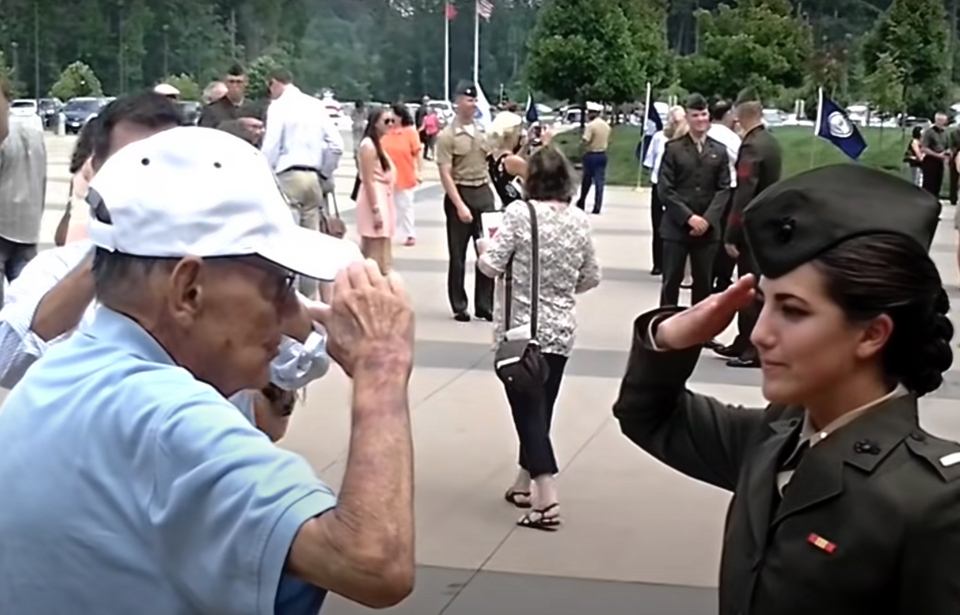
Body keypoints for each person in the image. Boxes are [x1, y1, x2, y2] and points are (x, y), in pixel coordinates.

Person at [0, 127, 416, 613]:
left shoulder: (66, 371)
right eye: (279, 285)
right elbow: (374, 563)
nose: (293, 316)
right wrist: (381, 368)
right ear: (188, 291)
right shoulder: (167, 415)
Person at [614, 164, 960, 615]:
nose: (759, 334)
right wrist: (671, 338)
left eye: (792, 311)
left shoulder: (935, 501)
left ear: (872, 334)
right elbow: (650, 416)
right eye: (764, 304)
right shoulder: (779, 437)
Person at [477, 145, 600, 530]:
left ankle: (546, 496)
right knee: (540, 410)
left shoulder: (519, 213)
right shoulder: (579, 221)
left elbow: (491, 265)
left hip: (520, 332)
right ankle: (523, 483)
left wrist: (482, 250)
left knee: (527, 413)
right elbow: (591, 276)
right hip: (561, 330)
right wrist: (559, 290)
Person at [713, 87, 783, 368]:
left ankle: (752, 348)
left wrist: (732, 234)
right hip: (768, 226)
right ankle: (743, 341)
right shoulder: (771, 142)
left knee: (750, 287)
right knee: (753, 286)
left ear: (741, 117)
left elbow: (744, 193)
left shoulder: (752, 146)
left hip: (752, 229)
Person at [261, 67, 344, 299]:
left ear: (275, 83)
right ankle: (311, 301)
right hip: (313, 178)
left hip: (289, 177)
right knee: (311, 246)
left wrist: (265, 176)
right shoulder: (315, 105)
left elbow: (270, 148)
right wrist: (324, 172)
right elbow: (337, 145)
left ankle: (292, 302)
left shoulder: (278, 107)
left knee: (290, 245)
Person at [657, 93, 731, 308]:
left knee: (704, 283)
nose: (700, 119)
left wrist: (707, 219)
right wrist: (689, 218)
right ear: (687, 118)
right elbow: (666, 189)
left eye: (704, 114)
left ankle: (701, 332)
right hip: (677, 227)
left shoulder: (719, 150)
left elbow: (724, 188)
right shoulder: (674, 149)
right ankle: (666, 327)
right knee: (671, 281)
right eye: (695, 115)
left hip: (707, 230)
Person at [436, 81, 496, 322]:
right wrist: (459, 204)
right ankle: (459, 305)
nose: (473, 105)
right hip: (460, 193)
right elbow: (445, 173)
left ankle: (485, 304)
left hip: (483, 193)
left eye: (475, 101)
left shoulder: (483, 132)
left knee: (487, 253)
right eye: (468, 100)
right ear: (458, 102)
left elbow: (495, 162)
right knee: (458, 255)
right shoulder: (447, 136)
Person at [0, 110, 47, 300]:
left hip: (2, 221)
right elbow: (42, 177)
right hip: (28, 223)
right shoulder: (35, 134)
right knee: (25, 301)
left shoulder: (3, 137)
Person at [643, 106, 686, 277]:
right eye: (675, 120)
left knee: (677, 227)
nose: (677, 124)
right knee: (658, 225)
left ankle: (675, 264)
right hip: (659, 185)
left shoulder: (686, 140)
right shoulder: (659, 137)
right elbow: (650, 162)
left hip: (679, 187)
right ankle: (658, 263)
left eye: (680, 120)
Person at [356, 107, 397, 273]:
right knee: (374, 248)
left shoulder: (377, 144)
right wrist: (375, 209)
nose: (390, 124)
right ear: (375, 123)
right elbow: (368, 180)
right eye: (386, 121)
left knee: (382, 244)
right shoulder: (368, 146)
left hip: (383, 196)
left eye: (392, 121)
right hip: (374, 198)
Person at [706, 99, 741, 293]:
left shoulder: (707, 133)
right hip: (729, 188)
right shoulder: (732, 139)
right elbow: (739, 160)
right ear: (727, 114)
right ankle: (722, 276)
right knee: (726, 234)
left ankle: (706, 272)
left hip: (707, 190)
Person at [383, 103, 422, 247]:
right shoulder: (385, 132)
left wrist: (418, 171)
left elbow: (417, 153)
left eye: (392, 114)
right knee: (388, 206)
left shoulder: (410, 133)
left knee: (405, 206)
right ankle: (388, 232)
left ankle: (409, 233)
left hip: (405, 173)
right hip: (387, 176)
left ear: (399, 116)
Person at [198, 63, 258, 128]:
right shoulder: (212, 111)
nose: (235, 86)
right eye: (231, 82)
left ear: (246, 83)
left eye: (239, 82)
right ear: (225, 83)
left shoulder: (254, 110)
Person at [575, 108, 611, 214]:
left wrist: (580, 149)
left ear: (592, 114)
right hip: (602, 154)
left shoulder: (591, 126)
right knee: (600, 181)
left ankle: (582, 202)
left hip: (591, 154)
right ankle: (597, 206)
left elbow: (586, 140)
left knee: (587, 180)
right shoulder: (606, 126)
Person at [920, 111, 949, 198]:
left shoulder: (944, 133)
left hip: (940, 162)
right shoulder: (929, 132)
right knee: (929, 185)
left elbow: (947, 146)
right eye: (939, 120)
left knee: (937, 184)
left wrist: (947, 153)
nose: (941, 123)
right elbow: (924, 148)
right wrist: (937, 155)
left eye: (943, 121)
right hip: (930, 161)